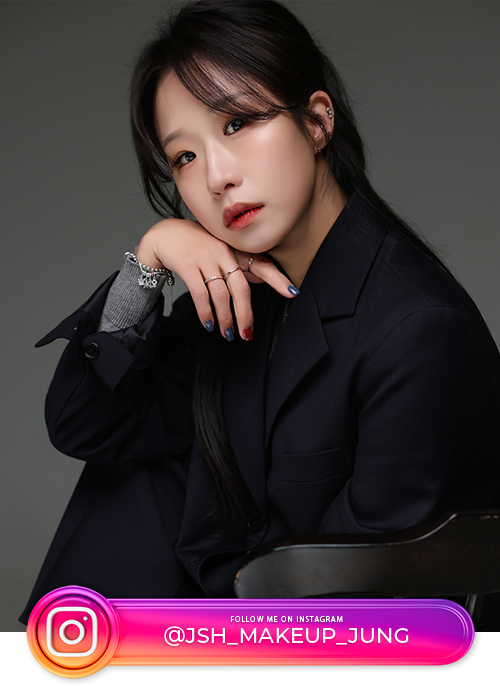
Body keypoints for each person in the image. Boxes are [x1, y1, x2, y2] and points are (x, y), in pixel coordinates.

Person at [20, 0, 500, 627]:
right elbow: (85, 426)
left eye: (238, 123)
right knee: (136, 461)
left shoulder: (418, 331)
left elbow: (360, 605)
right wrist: (148, 264)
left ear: (317, 121)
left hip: (320, 646)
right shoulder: (234, 299)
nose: (216, 177)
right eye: (184, 157)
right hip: (216, 630)